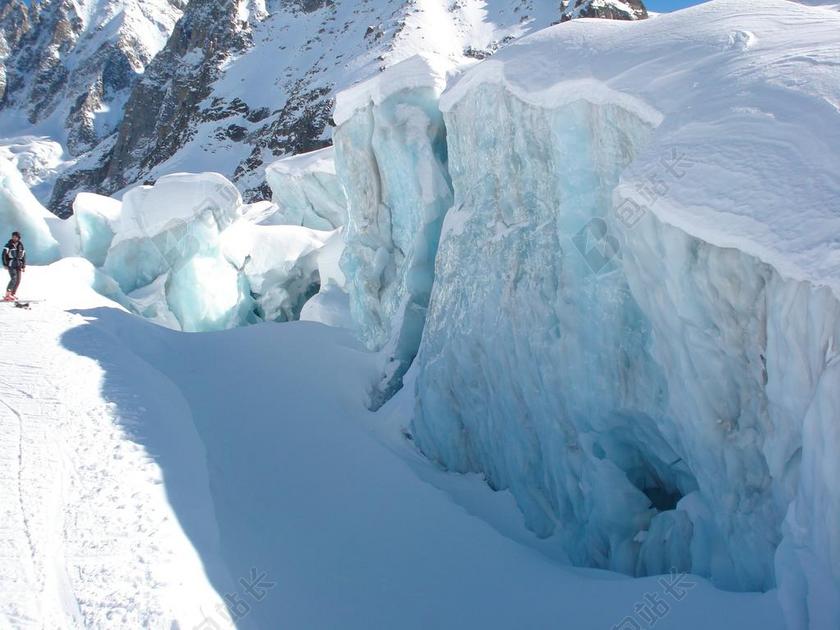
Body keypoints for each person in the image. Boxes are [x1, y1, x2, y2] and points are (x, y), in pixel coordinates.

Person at [3, 231, 25, 301]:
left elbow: (24, 256)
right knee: (14, 278)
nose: (14, 238)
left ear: (18, 238)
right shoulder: (8, 245)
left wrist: (23, 265)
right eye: (13, 236)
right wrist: (5, 264)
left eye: (15, 237)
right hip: (11, 264)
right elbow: (3, 255)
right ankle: (7, 295)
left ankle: (12, 294)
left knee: (18, 280)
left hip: (19, 264)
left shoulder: (21, 245)